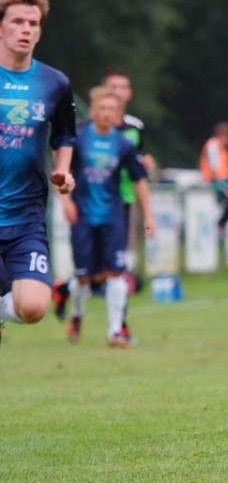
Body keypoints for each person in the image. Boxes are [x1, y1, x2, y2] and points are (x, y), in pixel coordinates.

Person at [0, 0, 76, 349]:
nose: (25, 29)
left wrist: (63, 171)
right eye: (17, 21)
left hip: (26, 216)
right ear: (1, 27)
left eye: (33, 23)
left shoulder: (54, 83)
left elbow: (65, 134)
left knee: (33, 308)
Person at [58, 86, 154, 348]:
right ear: (93, 110)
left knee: (115, 272)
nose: (107, 113)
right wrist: (66, 202)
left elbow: (139, 180)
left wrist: (149, 216)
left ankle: (115, 331)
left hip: (113, 216)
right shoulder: (78, 137)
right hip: (82, 217)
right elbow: (61, 170)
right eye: (102, 108)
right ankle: (77, 314)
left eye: (112, 109)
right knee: (83, 278)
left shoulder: (123, 144)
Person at [199, 121, 228, 236]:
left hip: (222, 181)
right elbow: (215, 168)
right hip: (215, 182)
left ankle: (221, 222)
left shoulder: (221, 147)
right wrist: (221, 183)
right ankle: (221, 223)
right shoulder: (213, 144)